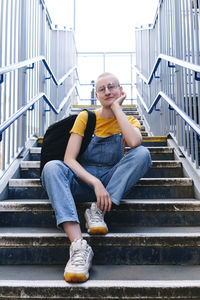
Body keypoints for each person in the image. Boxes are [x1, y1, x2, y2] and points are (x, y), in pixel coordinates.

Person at [41, 72, 152, 283]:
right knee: (52, 167)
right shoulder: (86, 117)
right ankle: (78, 247)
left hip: (111, 183)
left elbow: (135, 143)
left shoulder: (129, 120)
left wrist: (117, 108)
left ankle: (97, 210)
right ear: (96, 95)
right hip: (82, 180)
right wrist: (95, 182)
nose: (107, 91)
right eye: (102, 89)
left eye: (112, 87)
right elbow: (69, 159)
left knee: (143, 154)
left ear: (121, 90)